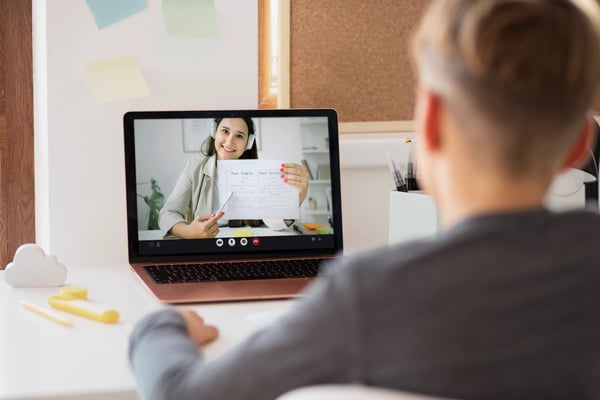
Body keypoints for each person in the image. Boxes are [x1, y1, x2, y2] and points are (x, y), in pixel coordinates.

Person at [129, 1, 600, 399]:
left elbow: (183, 393)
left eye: (239, 134)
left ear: (430, 121)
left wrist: (159, 327)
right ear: (581, 143)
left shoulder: (368, 292)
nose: (230, 139)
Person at [158, 117, 309, 239]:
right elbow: (168, 213)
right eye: (225, 131)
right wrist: (187, 232)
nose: (230, 141)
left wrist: (293, 203)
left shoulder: (259, 173)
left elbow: (273, 223)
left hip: (247, 247)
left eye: (239, 135)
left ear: (248, 143)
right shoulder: (193, 168)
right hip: (207, 246)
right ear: (214, 132)